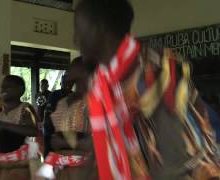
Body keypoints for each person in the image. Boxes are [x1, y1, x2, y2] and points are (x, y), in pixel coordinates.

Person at [75, 0, 220, 179]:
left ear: (100, 29)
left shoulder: (155, 70)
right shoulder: (100, 83)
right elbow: (100, 146)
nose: (76, 39)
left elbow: (174, 163)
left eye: (80, 29)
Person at [37, 57, 97, 180]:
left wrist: (64, 143)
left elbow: (101, 142)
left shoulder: (95, 100)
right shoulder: (63, 101)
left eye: (73, 68)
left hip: (84, 170)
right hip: (62, 167)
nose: (69, 71)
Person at [0, 75, 41, 180]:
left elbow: (34, 131)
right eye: (2, 87)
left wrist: (3, 125)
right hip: (1, 162)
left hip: (19, 162)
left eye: (8, 86)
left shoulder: (25, 109)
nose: (3, 89)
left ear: (20, 90)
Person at [43, 72, 73, 157]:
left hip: (67, 132)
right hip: (51, 131)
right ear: (60, 83)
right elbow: (50, 115)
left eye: (69, 82)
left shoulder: (75, 96)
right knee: (50, 156)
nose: (67, 84)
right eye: (64, 82)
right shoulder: (54, 95)